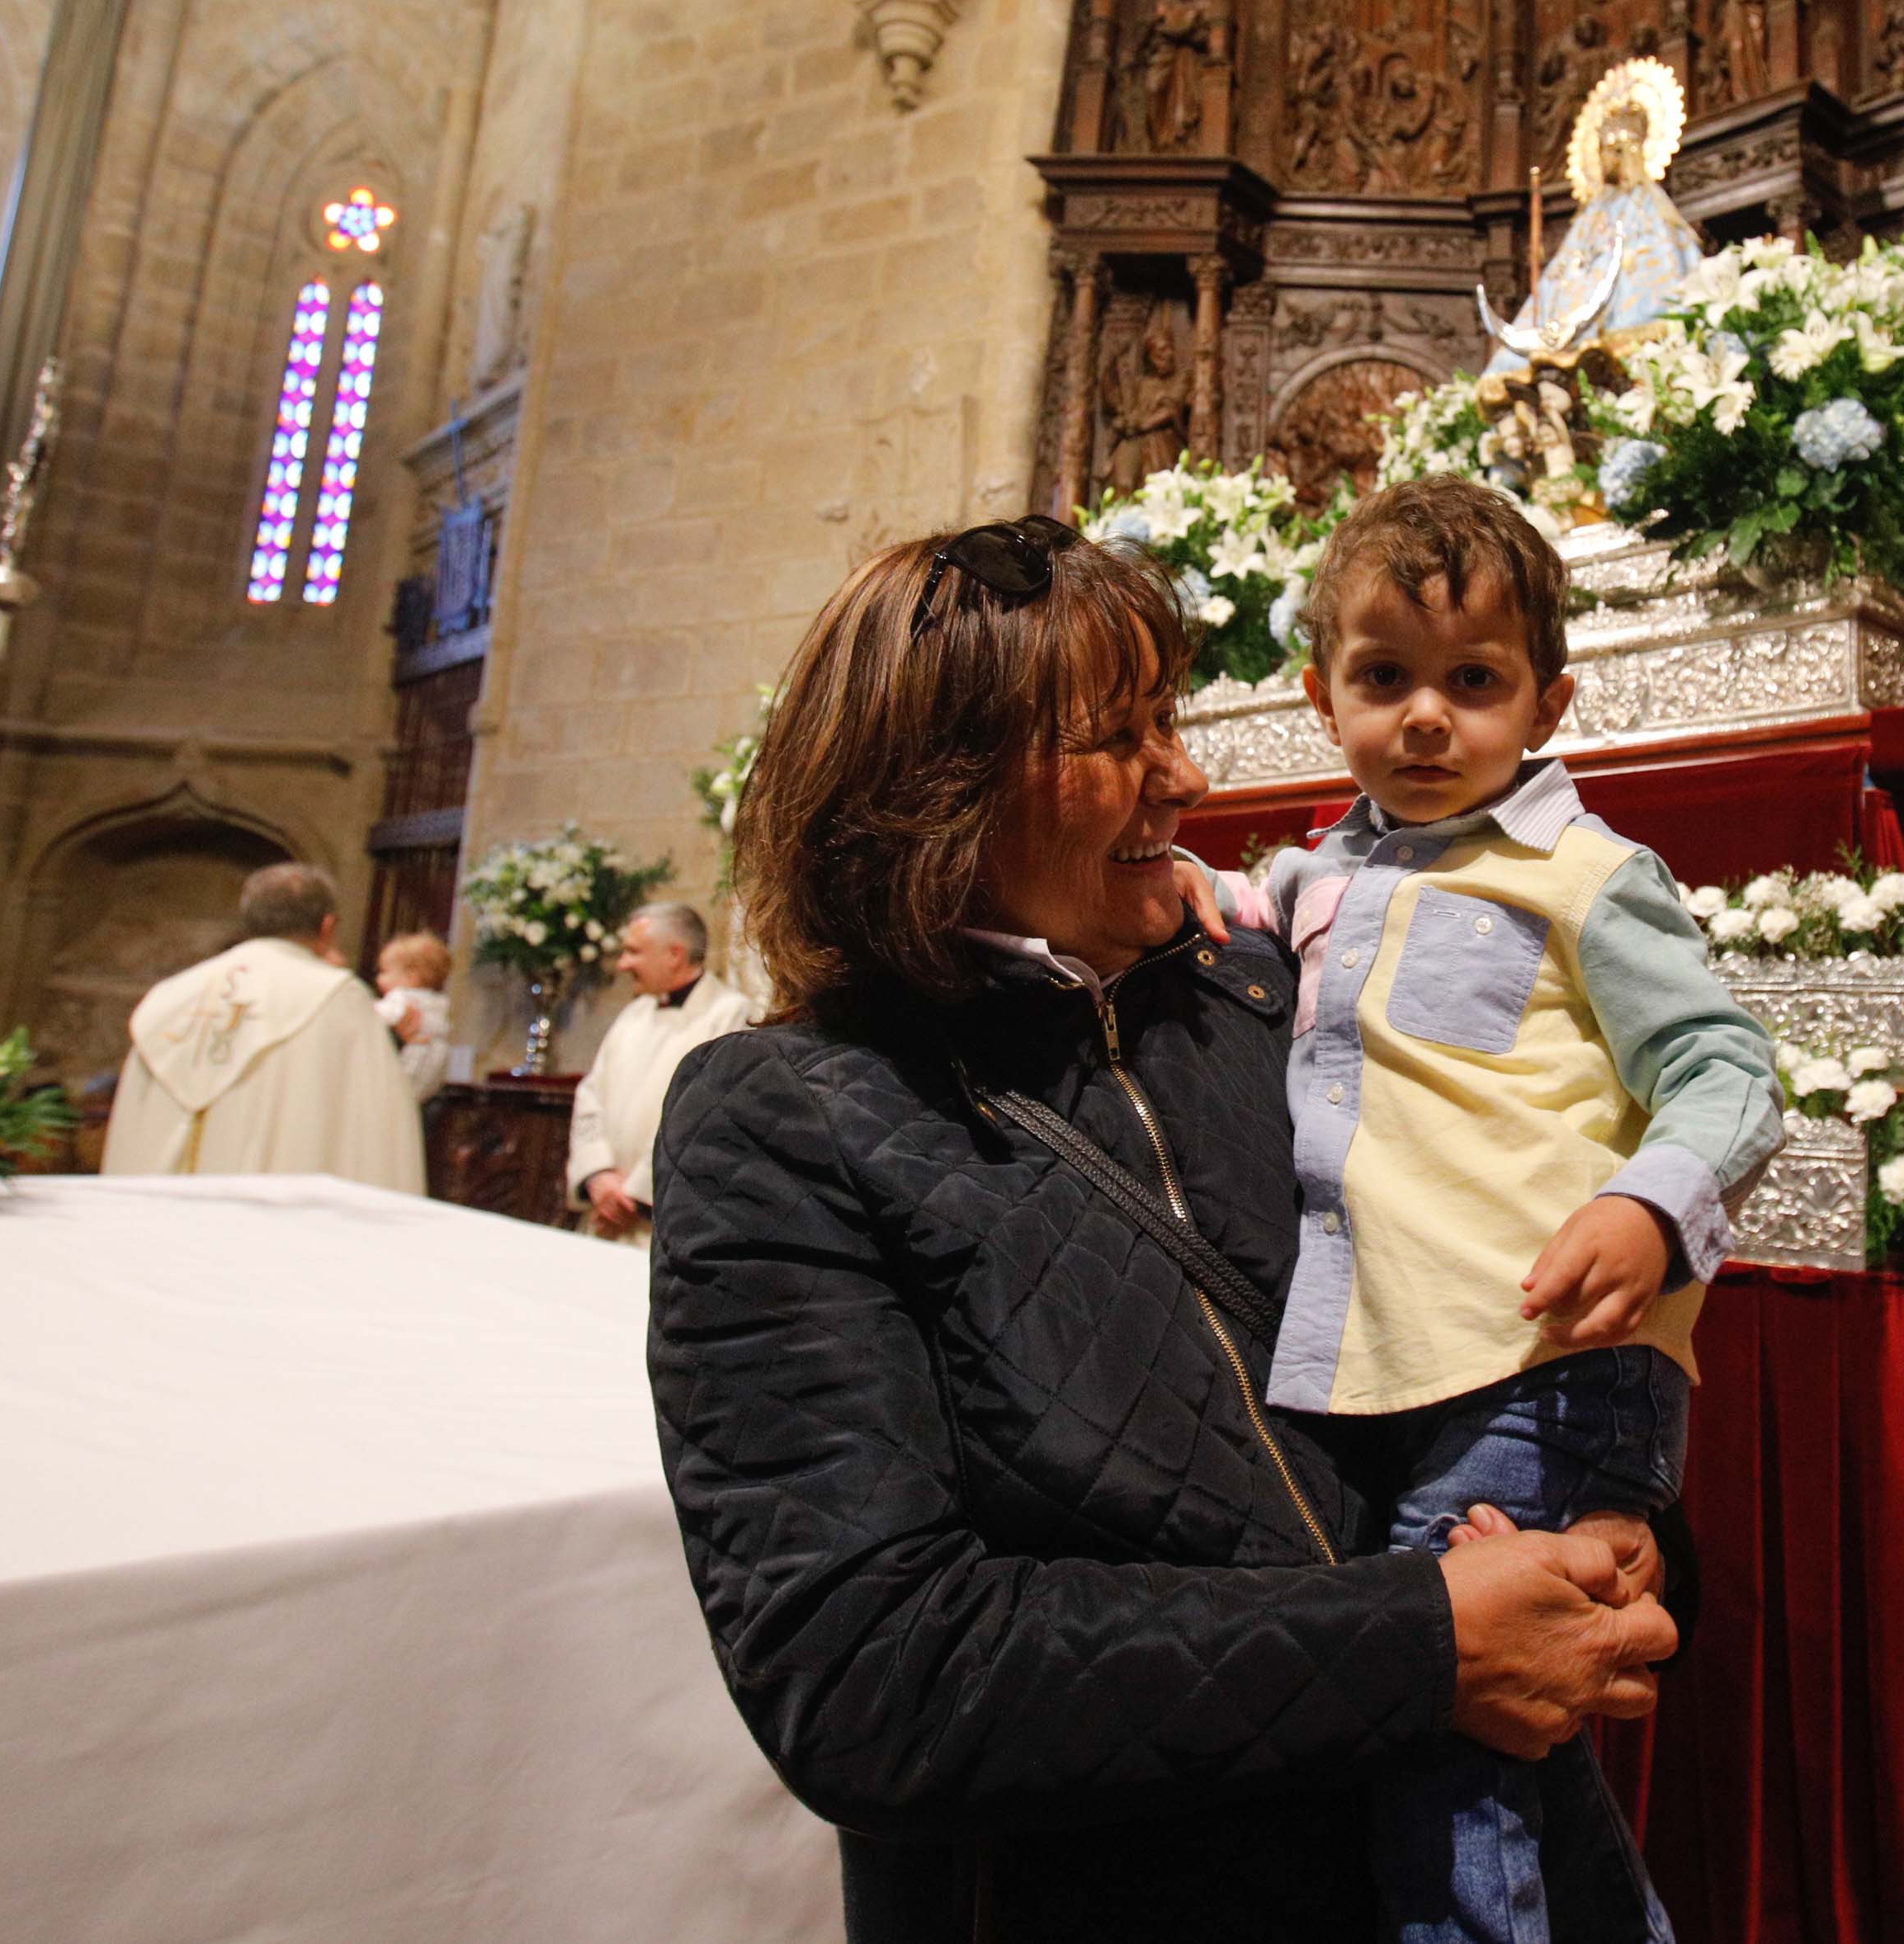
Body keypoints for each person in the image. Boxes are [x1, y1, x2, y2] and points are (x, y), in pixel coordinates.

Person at [647, 518, 1679, 1944]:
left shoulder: (1259, 999)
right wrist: (1425, 1641)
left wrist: (1593, 1510)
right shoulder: (787, 1113)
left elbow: (1507, 1237)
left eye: (1168, 721)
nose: (1185, 775)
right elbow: (869, 1674)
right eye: (1119, 735)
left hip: (1448, 1855)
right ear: (938, 785)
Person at [1202, 477, 1782, 1944]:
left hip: (1535, 1363)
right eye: (1383, 676)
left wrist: (1651, 1206)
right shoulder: (1306, 878)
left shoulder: (1583, 874)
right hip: (1377, 1365)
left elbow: (1725, 1067)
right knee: (1467, 1751)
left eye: (1473, 682)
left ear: (1547, 699)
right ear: (1319, 690)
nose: (1423, 717)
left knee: (1449, 1760)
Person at [102, 862, 424, 1191]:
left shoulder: (173, 995)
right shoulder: (337, 997)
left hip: (154, 1217)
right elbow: (375, 1131)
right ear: (328, 927)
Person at [565, 901, 753, 1246]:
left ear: (674, 955)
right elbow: (590, 1097)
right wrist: (598, 1177)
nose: (623, 964)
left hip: (658, 1226)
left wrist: (634, 1198)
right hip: (605, 1215)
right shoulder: (633, 1014)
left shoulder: (729, 1016)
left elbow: (705, 1118)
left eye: (633, 952)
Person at [373, 931, 455, 1106]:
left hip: (412, 1057)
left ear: (411, 977)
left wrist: (367, 1006)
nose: (379, 978)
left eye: (385, 972)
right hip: (434, 1062)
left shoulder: (404, 998)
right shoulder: (438, 1003)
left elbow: (384, 1014)